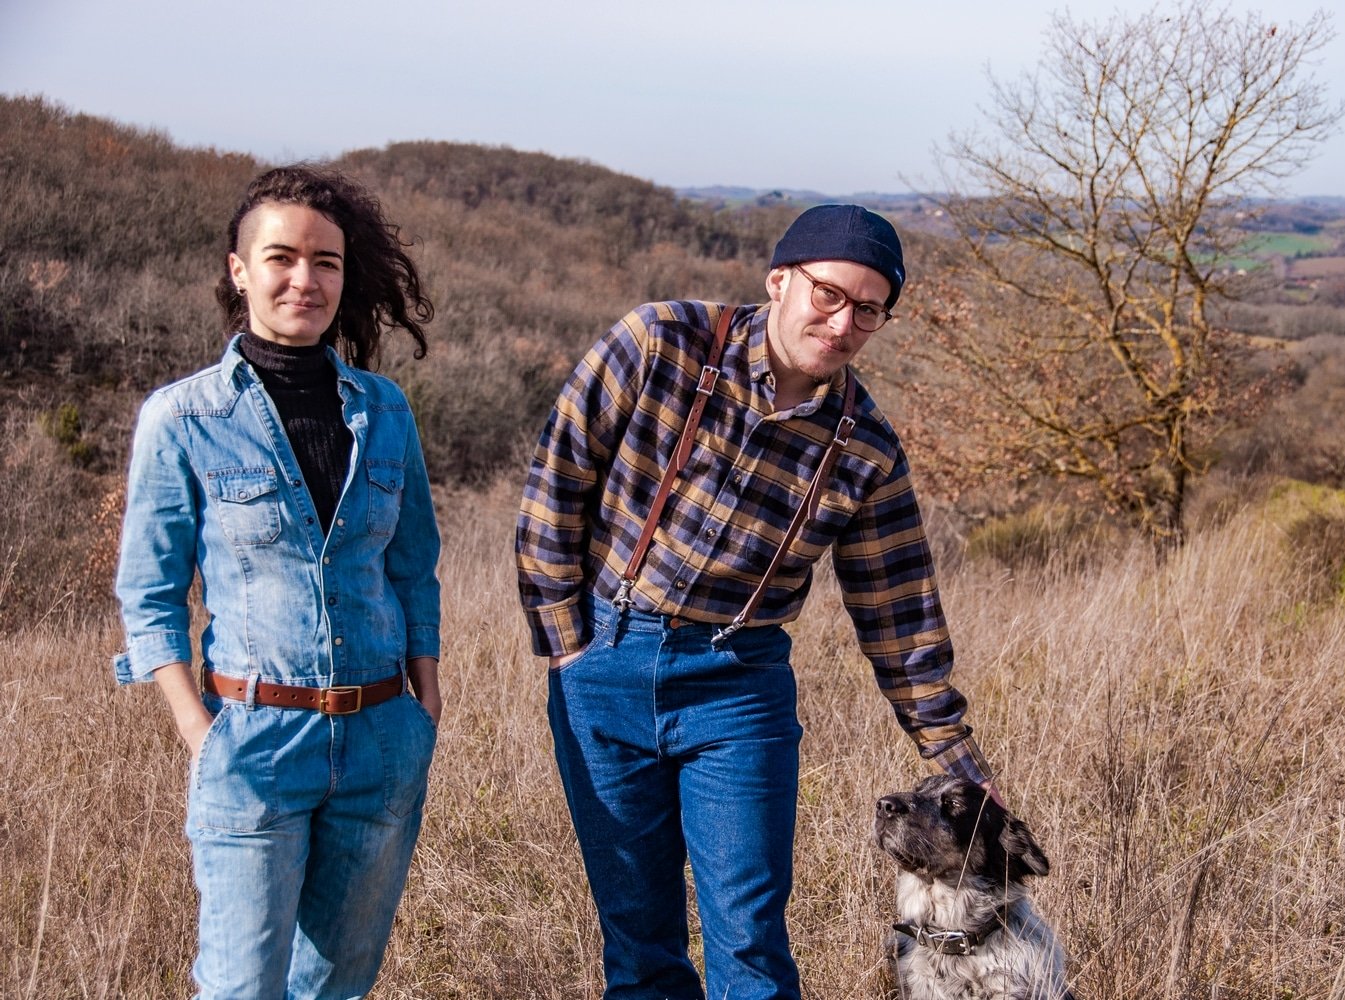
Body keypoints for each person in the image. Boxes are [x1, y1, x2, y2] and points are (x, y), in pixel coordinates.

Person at [516, 204, 998, 1000]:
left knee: (749, 942)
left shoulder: (865, 446)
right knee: (639, 942)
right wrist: (569, 647)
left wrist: (952, 754)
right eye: (828, 295)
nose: (843, 324)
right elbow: (556, 480)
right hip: (606, 660)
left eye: (869, 310)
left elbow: (898, 607)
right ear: (780, 280)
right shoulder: (658, 343)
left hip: (739, 685)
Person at [113, 165, 442, 1000]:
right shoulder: (182, 419)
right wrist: (201, 732)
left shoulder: (385, 409)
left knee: (338, 988)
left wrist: (422, 706)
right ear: (240, 269)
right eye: (282, 257)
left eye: (326, 262)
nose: (306, 279)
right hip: (253, 742)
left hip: (380, 742)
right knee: (240, 989)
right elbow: (149, 593)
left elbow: (412, 566)